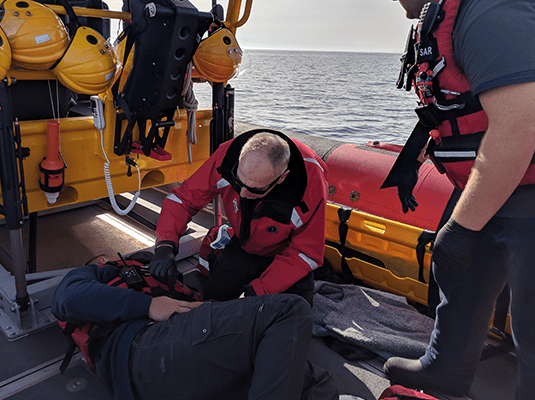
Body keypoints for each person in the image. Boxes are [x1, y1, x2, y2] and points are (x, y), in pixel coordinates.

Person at [382, 0, 535, 398]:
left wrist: (463, 226)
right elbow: (451, 109)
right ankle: (445, 367)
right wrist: (410, 163)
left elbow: (522, 120)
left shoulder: (490, 12)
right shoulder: (440, 16)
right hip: (494, 181)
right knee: (462, 276)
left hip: (527, 185)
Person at [52, 262, 337, 400]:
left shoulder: (171, 284)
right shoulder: (94, 275)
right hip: (148, 349)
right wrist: (149, 304)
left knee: (316, 380)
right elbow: (66, 299)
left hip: (186, 368)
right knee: (290, 310)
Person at [150, 129, 329, 305]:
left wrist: (258, 291)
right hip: (244, 246)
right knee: (213, 301)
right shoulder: (226, 156)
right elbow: (183, 199)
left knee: (296, 314)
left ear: (282, 178)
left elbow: (307, 252)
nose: (242, 193)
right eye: (238, 181)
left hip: (288, 257)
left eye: (254, 189)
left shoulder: (311, 182)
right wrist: (165, 245)